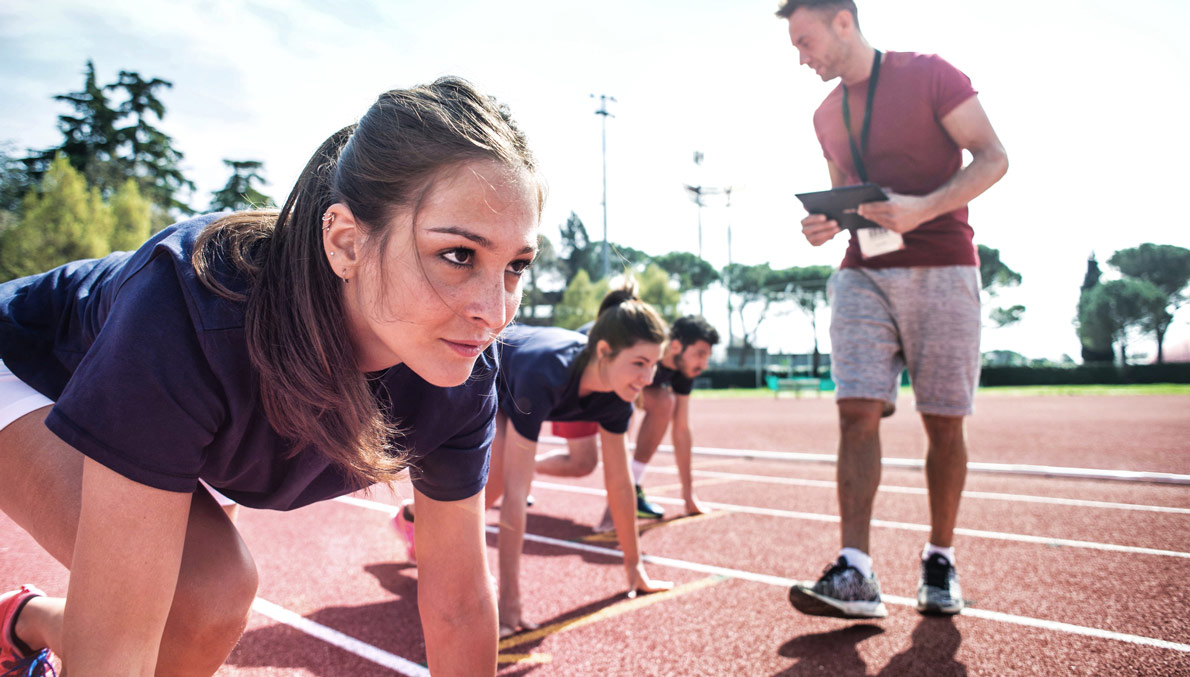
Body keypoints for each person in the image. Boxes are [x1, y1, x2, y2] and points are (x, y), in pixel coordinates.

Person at [0, 76, 542, 676]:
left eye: (516, 266)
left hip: (210, 415)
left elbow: (459, 604)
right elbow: (114, 655)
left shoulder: (462, 367)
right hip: (35, 371)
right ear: (346, 242)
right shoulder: (188, 310)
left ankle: (26, 624)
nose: (493, 312)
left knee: (177, 610)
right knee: (203, 591)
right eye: (458, 255)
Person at [776, 0, 1008, 619]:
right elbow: (844, 194)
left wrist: (922, 209)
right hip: (863, 273)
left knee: (944, 422)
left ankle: (940, 558)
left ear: (842, 21)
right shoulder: (825, 114)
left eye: (805, 40)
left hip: (944, 264)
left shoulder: (932, 74)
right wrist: (825, 225)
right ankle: (855, 572)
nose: (800, 57)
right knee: (856, 412)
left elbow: (993, 157)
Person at [487, 287, 674, 637]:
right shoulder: (545, 372)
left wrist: (634, 568)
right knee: (496, 482)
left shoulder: (618, 396)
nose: (648, 379)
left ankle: (417, 520)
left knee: (491, 489)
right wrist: (509, 603)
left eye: (653, 365)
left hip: (530, 382)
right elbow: (517, 495)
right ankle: (422, 519)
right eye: (639, 363)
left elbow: (620, 484)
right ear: (604, 351)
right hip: (489, 373)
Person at [537, 315, 720, 525]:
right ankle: (524, 470)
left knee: (663, 402)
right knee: (582, 464)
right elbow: (617, 427)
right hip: (577, 382)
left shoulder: (683, 369)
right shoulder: (644, 345)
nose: (704, 364)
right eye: (700, 354)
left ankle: (633, 484)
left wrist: (689, 496)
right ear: (676, 346)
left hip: (613, 388)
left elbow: (681, 430)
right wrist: (616, 507)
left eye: (707, 356)